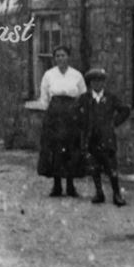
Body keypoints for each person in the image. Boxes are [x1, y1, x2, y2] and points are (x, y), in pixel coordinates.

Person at [36, 46, 88, 198]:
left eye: (63, 55)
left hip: (71, 115)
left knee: (71, 148)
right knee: (55, 149)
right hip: (55, 115)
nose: (60, 58)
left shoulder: (76, 75)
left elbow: (83, 95)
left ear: (68, 57)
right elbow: (44, 96)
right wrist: (50, 113)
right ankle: (57, 186)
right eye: (57, 56)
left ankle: (71, 186)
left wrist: (78, 113)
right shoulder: (49, 74)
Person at [78, 68, 130, 206]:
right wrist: (84, 124)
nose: (97, 84)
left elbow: (125, 110)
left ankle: (117, 194)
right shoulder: (85, 98)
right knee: (94, 167)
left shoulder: (111, 97)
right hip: (91, 137)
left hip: (107, 138)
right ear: (90, 83)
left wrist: (114, 123)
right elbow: (76, 113)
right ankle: (99, 192)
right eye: (94, 81)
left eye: (100, 81)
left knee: (111, 167)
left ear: (104, 82)